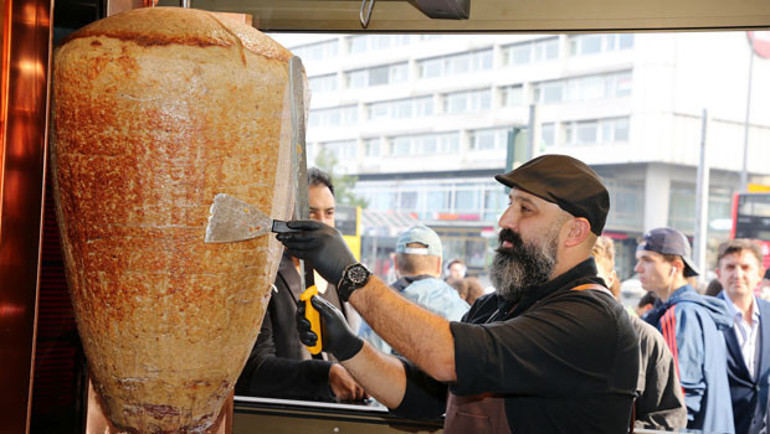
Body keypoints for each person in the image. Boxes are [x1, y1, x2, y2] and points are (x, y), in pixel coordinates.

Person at [278, 154, 639, 432]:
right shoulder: (496, 306)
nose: (505, 221)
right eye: (510, 203)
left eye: (525, 209)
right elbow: (419, 394)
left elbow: (446, 357)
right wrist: (348, 348)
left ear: (575, 232)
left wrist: (351, 276)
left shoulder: (590, 319)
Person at [235, 168, 366, 402]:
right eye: (312, 213)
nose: (323, 224)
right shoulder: (264, 277)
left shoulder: (341, 279)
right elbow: (253, 369)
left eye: (329, 213)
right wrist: (325, 376)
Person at [636, 227, 734, 433]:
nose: (638, 268)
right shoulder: (695, 310)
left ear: (676, 266)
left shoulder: (680, 314)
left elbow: (678, 399)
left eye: (647, 259)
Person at [592, 236, 687, 430]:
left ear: (610, 278)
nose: (581, 288)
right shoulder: (534, 333)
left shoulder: (644, 338)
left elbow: (667, 418)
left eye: (592, 278)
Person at [359, 225, 469, 354]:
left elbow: (366, 361)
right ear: (439, 265)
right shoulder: (462, 308)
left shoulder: (378, 306)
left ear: (395, 263)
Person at [715, 239, 770, 434]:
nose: (738, 274)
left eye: (746, 267)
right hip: (719, 427)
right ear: (719, 274)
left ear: (760, 274)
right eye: (730, 267)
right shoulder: (705, 316)